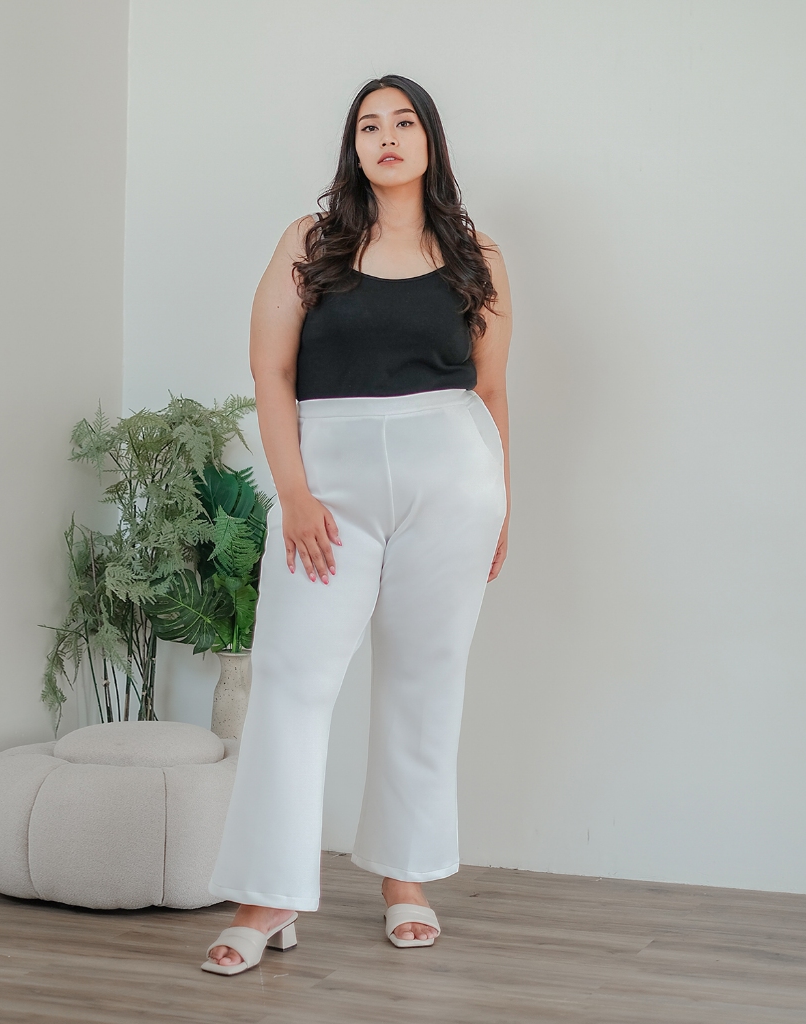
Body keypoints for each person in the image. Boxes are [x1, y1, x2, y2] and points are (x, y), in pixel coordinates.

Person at [201, 74, 511, 975]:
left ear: (430, 140)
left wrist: (503, 501)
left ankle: (406, 878)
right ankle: (268, 895)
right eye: (369, 124)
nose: (387, 136)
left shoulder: (477, 254)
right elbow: (269, 372)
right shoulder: (311, 242)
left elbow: (491, 389)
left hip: (453, 477)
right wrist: (294, 495)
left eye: (403, 121)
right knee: (292, 680)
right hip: (327, 481)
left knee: (425, 678)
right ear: (354, 146)